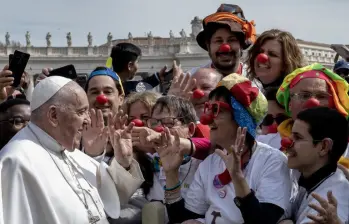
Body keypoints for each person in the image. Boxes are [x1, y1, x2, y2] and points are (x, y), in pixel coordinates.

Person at [0, 76, 144, 224]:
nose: (88, 120)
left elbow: (113, 198)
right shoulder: (15, 162)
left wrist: (123, 161)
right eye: (81, 112)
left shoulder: (71, 152)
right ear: (54, 115)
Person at [158, 74, 292, 223]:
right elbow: (185, 219)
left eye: (216, 110)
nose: (206, 119)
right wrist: (171, 174)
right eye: (208, 108)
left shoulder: (272, 161)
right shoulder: (210, 164)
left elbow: (264, 221)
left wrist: (237, 178)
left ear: (240, 117)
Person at [257, 63, 349, 168]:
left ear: (334, 103)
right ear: (290, 104)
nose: (313, 102)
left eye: (321, 96)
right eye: (304, 95)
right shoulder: (265, 145)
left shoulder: (347, 149)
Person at [279, 107, 349, 224]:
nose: (287, 142)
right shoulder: (302, 174)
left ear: (323, 147)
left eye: (298, 137)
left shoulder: (331, 198)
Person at [189, 3, 256, 77]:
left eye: (231, 40)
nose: (225, 47)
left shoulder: (257, 80)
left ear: (241, 45)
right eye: (218, 41)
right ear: (208, 46)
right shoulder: (191, 80)